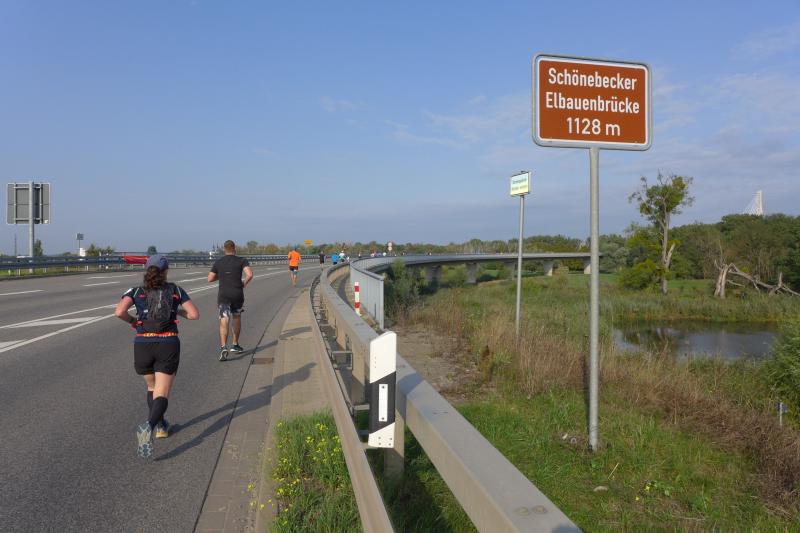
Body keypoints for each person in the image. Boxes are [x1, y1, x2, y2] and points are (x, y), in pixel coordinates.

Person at [115, 254, 199, 459]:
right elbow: (194, 315)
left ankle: (161, 426)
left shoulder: (135, 291)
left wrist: (133, 322)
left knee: (152, 388)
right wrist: (177, 312)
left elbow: (119, 312)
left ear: (147, 270)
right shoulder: (176, 290)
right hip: (167, 343)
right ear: (166, 271)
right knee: (162, 392)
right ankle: (149, 425)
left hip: (143, 344)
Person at [208, 240, 253, 361]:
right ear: (235, 249)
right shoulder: (242, 260)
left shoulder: (219, 262)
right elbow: (249, 274)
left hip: (224, 295)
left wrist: (222, 275)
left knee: (224, 319)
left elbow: (210, 278)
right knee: (236, 317)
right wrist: (244, 283)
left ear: (224, 249)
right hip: (237, 294)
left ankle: (223, 347)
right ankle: (235, 344)